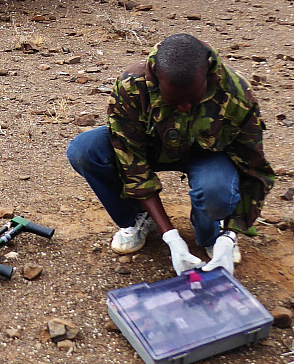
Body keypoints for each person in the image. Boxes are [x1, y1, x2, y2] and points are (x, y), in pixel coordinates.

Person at [67, 33, 275, 276]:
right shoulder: (132, 85)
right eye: (174, 101)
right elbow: (131, 160)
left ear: (207, 73)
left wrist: (230, 235)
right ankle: (138, 218)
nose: (185, 107)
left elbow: (253, 170)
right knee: (85, 151)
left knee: (216, 191)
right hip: (151, 147)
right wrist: (171, 236)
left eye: (194, 99)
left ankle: (212, 235)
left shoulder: (237, 93)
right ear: (155, 75)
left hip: (207, 155)